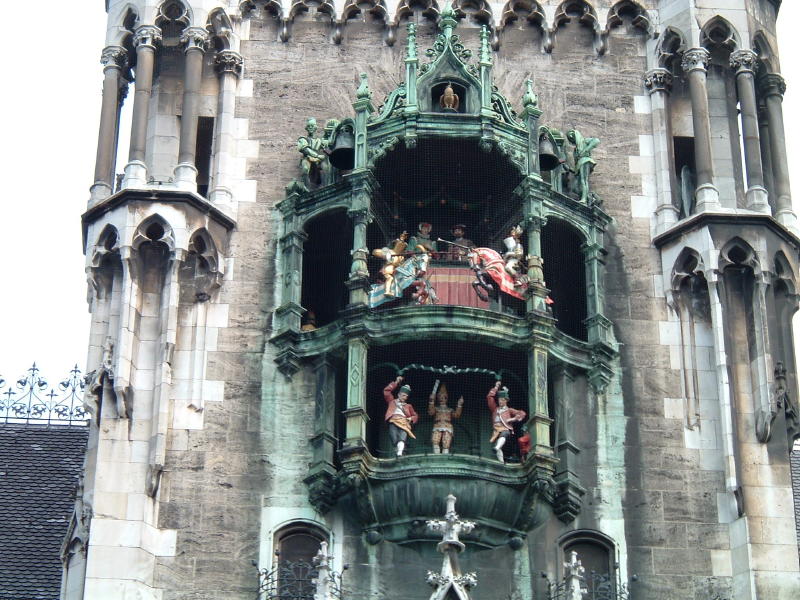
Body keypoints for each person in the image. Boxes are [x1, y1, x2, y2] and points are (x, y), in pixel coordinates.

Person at [487, 381, 526, 463]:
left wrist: (513, 419)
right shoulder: (495, 409)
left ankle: (497, 448)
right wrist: (496, 387)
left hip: (505, 428)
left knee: (505, 434)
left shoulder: (509, 410)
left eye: (502, 400)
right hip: (496, 430)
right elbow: (489, 397)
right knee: (499, 445)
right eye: (499, 400)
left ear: (506, 401)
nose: (500, 401)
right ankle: (501, 462)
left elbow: (522, 413)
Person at [383, 376, 418, 457]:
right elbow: (386, 391)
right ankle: (398, 450)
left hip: (404, 422)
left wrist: (410, 418)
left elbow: (415, 415)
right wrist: (396, 382)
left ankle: (399, 452)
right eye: (403, 395)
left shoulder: (408, 406)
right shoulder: (392, 401)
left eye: (406, 396)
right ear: (398, 394)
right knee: (394, 437)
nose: (404, 397)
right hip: (393, 421)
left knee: (402, 437)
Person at [427, 382, 464, 454]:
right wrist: (431, 402)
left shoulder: (449, 410)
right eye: (440, 397)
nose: (442, 399)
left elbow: (456, 415)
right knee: (435, 440)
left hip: (447, 426)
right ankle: (436, 455)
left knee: (446, 443)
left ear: (446, 399)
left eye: (444, 398)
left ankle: (445, 455)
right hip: (437, 425)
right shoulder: (436, 409)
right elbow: (431, 412)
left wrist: (459, 405)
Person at [372, 231, 409, 297]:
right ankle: (387, 291)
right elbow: (375, 252)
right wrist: (386, 255)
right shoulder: (390, 252)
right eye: (399, 245)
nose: (400, 248)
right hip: (387, 270)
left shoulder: (400, 257)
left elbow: (400, 266)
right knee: (389, 278)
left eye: (402, 247)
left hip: (394, 271)